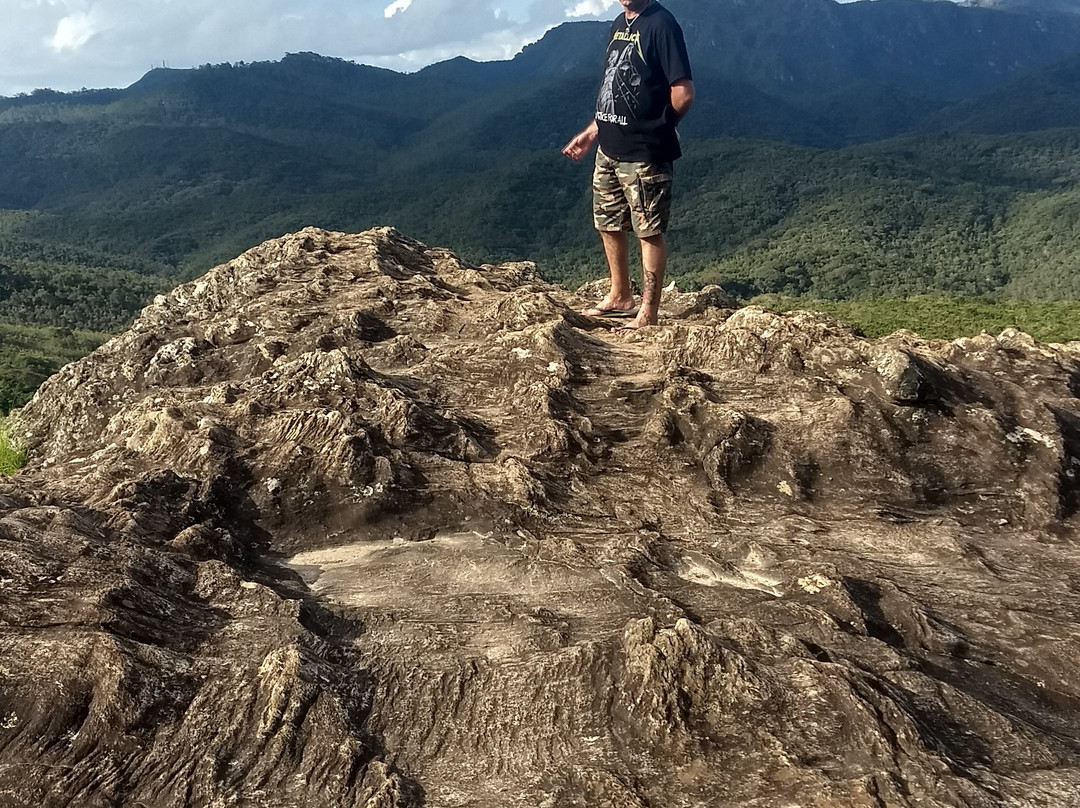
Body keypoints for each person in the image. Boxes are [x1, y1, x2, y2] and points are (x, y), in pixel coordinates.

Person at [562, 0, 694, 332]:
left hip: (645, 153)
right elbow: (612, 86)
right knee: (607, 220)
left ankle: (648, 312)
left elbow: (683, 91)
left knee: (648, 229)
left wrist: (661, 127)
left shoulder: (662, 25)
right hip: (609, 147)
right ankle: (620, 294)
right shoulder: (619, 24)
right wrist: (592, 131)